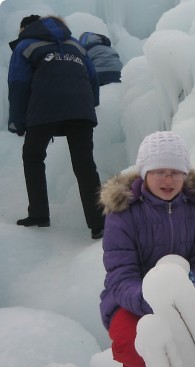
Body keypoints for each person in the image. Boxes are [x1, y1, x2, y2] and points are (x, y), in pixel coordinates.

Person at [98, 131, 195, 367]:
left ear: (185, 175)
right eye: (159, 171)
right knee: (128, 343)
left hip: (189, 291)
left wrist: (191, 287)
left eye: (176, 172)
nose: (168, 179)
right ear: (145, 174)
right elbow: (120, 274)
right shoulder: (123, 213)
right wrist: (154, 300)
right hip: (134, 299)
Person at [7, 15, 105, 239]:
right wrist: (90, 105)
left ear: (25, 28)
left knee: (33, 156)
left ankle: (39, 214)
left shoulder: (25, 45)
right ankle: (99, 223)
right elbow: (92, 79)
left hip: (44, 108)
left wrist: (17, 121)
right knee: (85, 165)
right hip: (80, 109)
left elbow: (18, 85)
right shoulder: (75, 45)